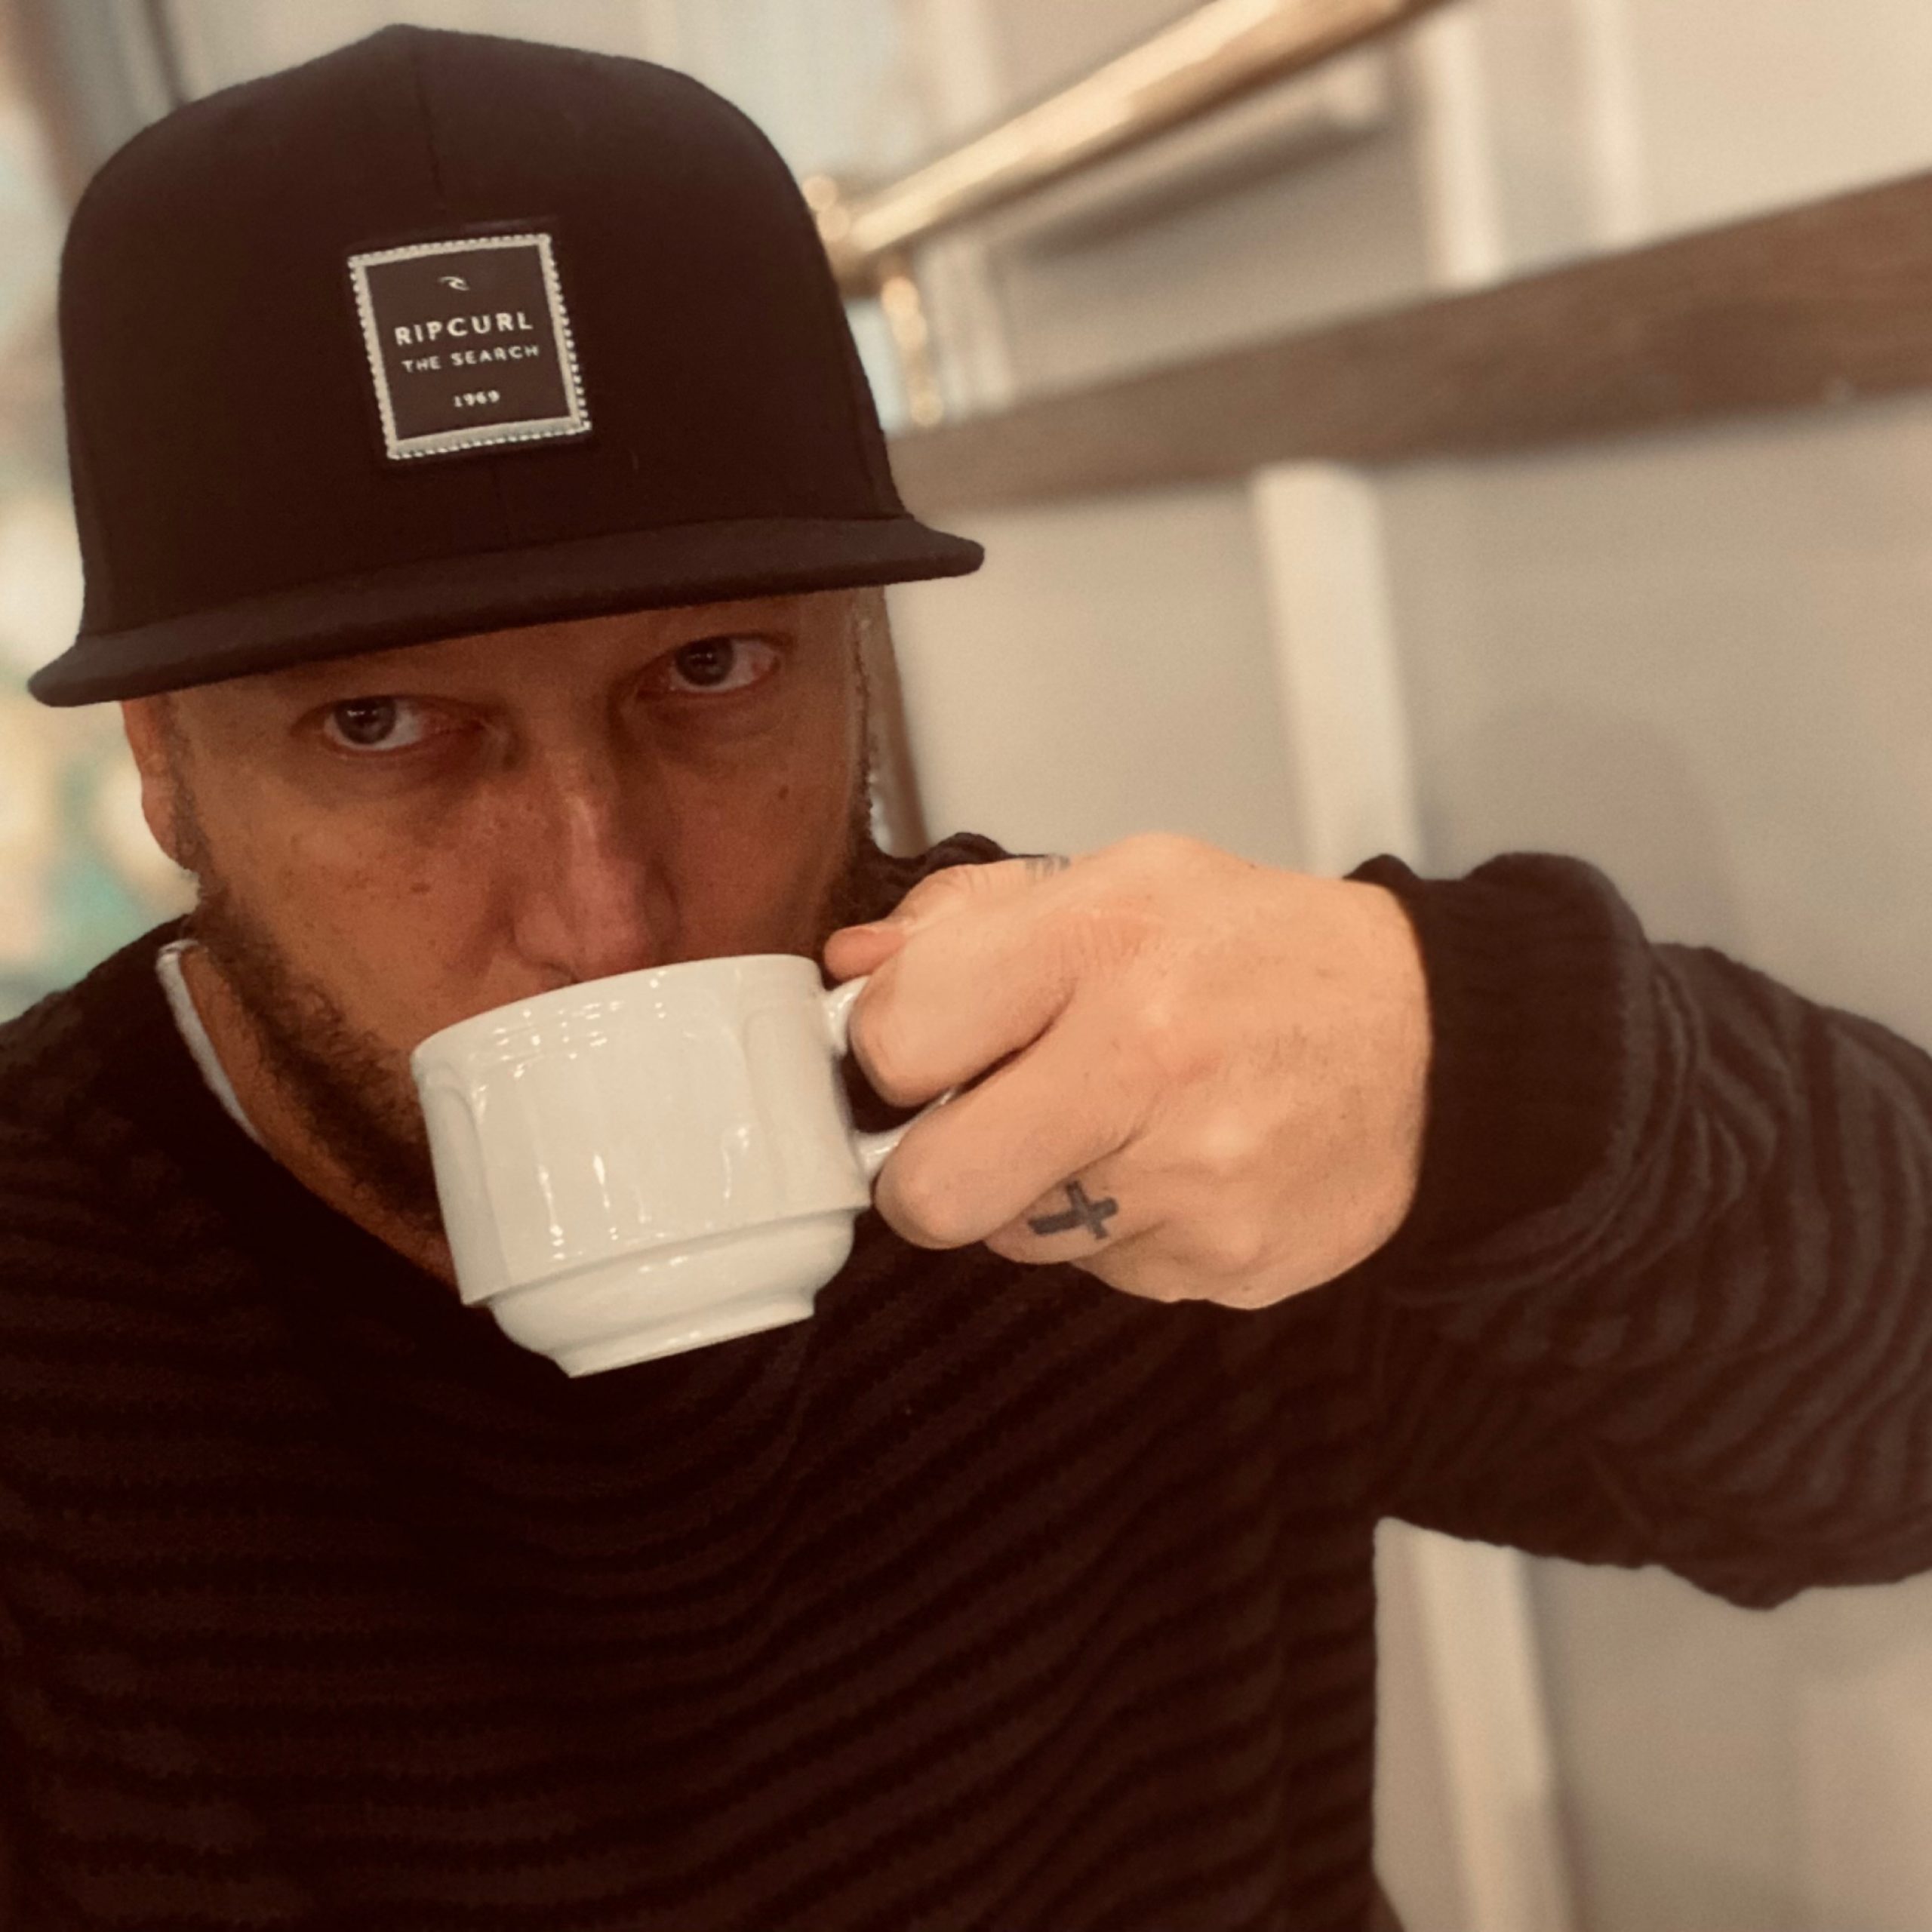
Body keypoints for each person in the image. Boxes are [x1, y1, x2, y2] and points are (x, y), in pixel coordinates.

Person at [4, 23, 1930, 1932]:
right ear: (164, 765)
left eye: (707, 671)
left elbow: (1881, 1468)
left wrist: (1486, 1068)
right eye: (378, 722)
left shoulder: (1099, 1076)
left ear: (858, 653)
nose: (601, 914)